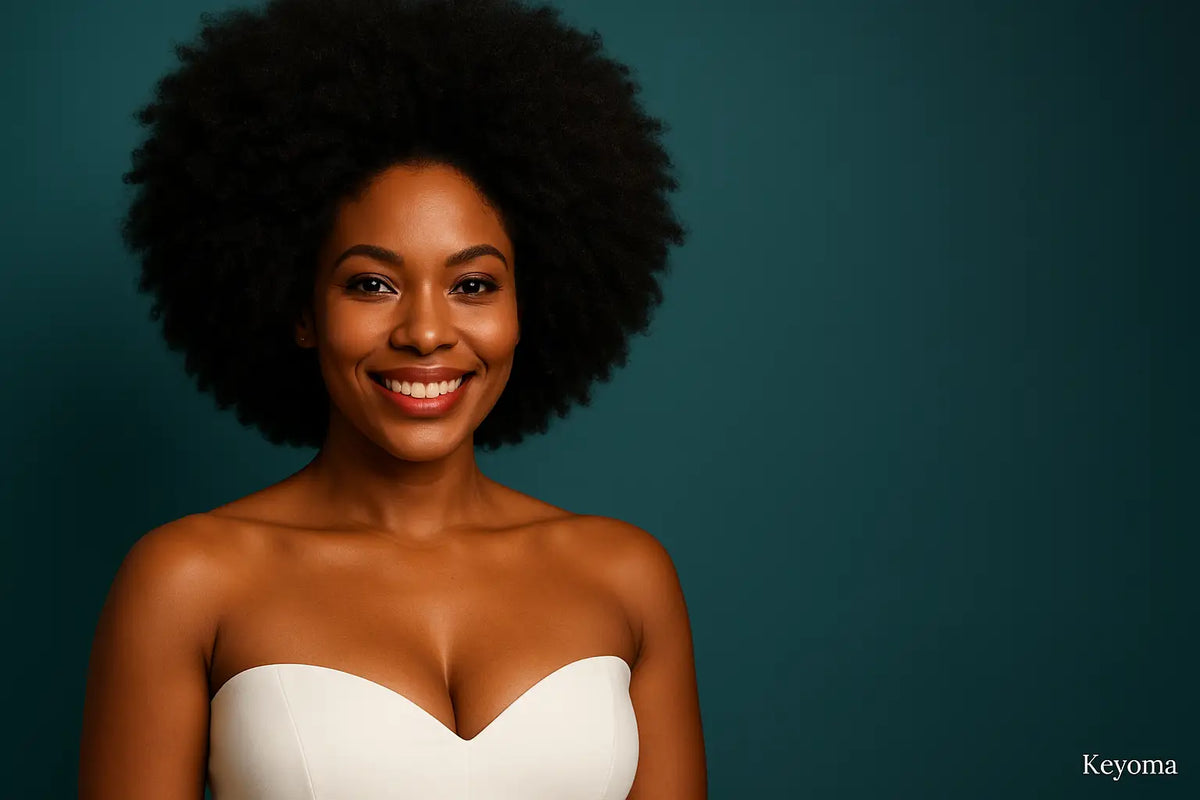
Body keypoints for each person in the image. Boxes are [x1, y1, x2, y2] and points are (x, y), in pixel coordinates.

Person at [78, 0, 706, 797]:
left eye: (473, 284)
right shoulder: (188, 579)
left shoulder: (626, 577)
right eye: (371, 283)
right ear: (302, 310)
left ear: (527, 308)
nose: (425, 332)